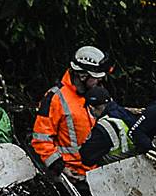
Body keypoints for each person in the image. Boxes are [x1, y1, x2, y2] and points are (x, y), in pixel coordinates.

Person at [32, 46, 111, 179]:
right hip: (71, 173)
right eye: (95, 77)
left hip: (97, 171)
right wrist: (60, 167)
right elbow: (41, 140)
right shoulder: (56, 98)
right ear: (83, 75)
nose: (99, 81)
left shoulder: (97, 93)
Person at [79, 87, 134, 166]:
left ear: (91, 108)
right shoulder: (126, 113)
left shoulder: (103, 127)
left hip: (116, 168)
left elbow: (86, 157)